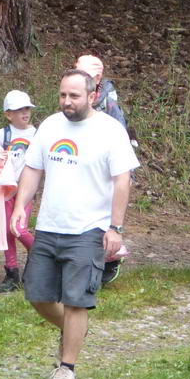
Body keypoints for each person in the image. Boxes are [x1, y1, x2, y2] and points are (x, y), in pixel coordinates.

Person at [10, 69, 139, 379]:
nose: (67, 101)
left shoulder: (110, 131)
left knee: (76, 301)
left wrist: (115, 227)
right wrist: (20, 207)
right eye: (63, 95)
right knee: (37, 295)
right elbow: (33, 169)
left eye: (74, 96)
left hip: (89, 229)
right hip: (49, 226)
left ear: (92, 96)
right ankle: (73, 331)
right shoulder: (50, 126)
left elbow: (122, 181)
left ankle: (66, 368)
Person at [74, 55, 134, 284]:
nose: (80, 78)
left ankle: (111, 259)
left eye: (85, 75)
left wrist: (124, 173)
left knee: (105, 216)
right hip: (82, 166)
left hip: (107, 169)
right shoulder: (75, 97)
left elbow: (121, 136)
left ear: (98, 78)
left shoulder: (108, 102)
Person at [0, 90, 38, 292]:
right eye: (19, 110)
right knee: (6, 230)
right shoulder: (3, 135)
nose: (25, 113)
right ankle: (11, 271)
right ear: (9, 114)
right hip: (5, 190)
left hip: (25, 190)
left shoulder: (36, 135)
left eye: (27, 109)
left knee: (18, 229)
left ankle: (39, 256)